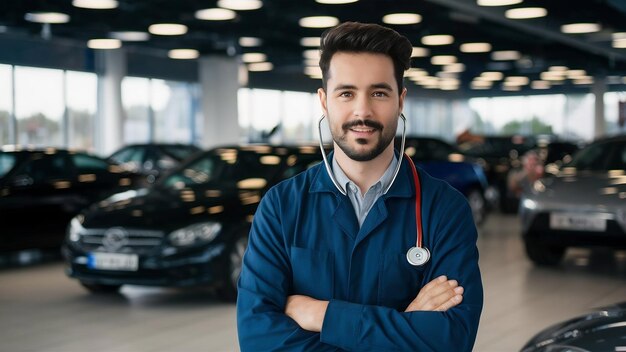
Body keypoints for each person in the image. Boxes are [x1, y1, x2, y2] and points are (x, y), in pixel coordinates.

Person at [237, 22, 483, 351]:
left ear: (401, 101)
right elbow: (258, 338)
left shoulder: (444, 209)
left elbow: (450, 339)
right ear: (324, 101)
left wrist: (322, 315)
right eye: (347, 93)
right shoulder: (282, 207)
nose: (362, 111)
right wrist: (406, 323)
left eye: (379, 93)